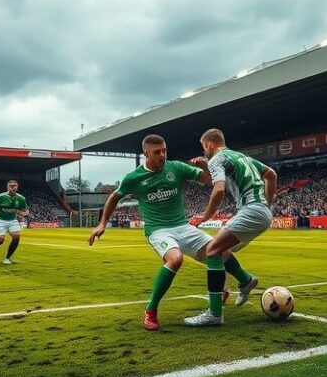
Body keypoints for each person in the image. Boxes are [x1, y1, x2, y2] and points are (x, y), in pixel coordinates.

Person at [88, 134, 257, 331]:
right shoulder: (133, 178)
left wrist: (204, 165)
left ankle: (243, 281)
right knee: (175, 259)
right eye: (157, 152)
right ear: (146, 153)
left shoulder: (176, 167)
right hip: (158, 230)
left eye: (164, 151)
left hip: (183, 227)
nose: (162, 155)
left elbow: (211, 181)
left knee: (218, 251)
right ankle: (150, 310)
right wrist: (102, 223)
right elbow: (114, 197)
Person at [187, 128, 276, 326]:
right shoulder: (242, 157)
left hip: (251, 210)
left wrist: (205, 215)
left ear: (210, 145)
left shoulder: (216, 159)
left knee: (212, 251)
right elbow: (271, 174)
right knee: (222, 250)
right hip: (260, 211)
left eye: (204, 148)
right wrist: (267, 204)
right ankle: (245, 280)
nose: (205, 152)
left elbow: (219, 189)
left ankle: (215, 314)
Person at [0, 179, 28, 265]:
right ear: (7, 187)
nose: (13, 188)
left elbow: (25, 211)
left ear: (17, 187)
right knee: (0, 240)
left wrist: (21, 213)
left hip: (12, 220)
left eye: (15, 186)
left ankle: (7, 258)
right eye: (11, 186)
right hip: (0, 220)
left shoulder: (21, 198)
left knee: (16, 237)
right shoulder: (0, 197)